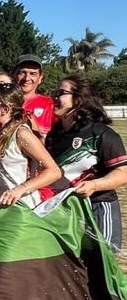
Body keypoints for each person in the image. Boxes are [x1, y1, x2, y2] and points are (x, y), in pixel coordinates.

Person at [46, 75, 127, 250]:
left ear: (79, 99)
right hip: (64, 209)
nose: (55, 97)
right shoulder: (54, 135)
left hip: (98, 206)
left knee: (103, 264)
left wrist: (94, 185)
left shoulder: (102, 134)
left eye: (61, 93)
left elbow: (122, 173)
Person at [0, 83, 62, 208]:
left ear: (5, 109)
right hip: (2, 208)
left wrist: (19, 190)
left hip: (24, 208)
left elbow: (54, 171)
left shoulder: (21, 134)